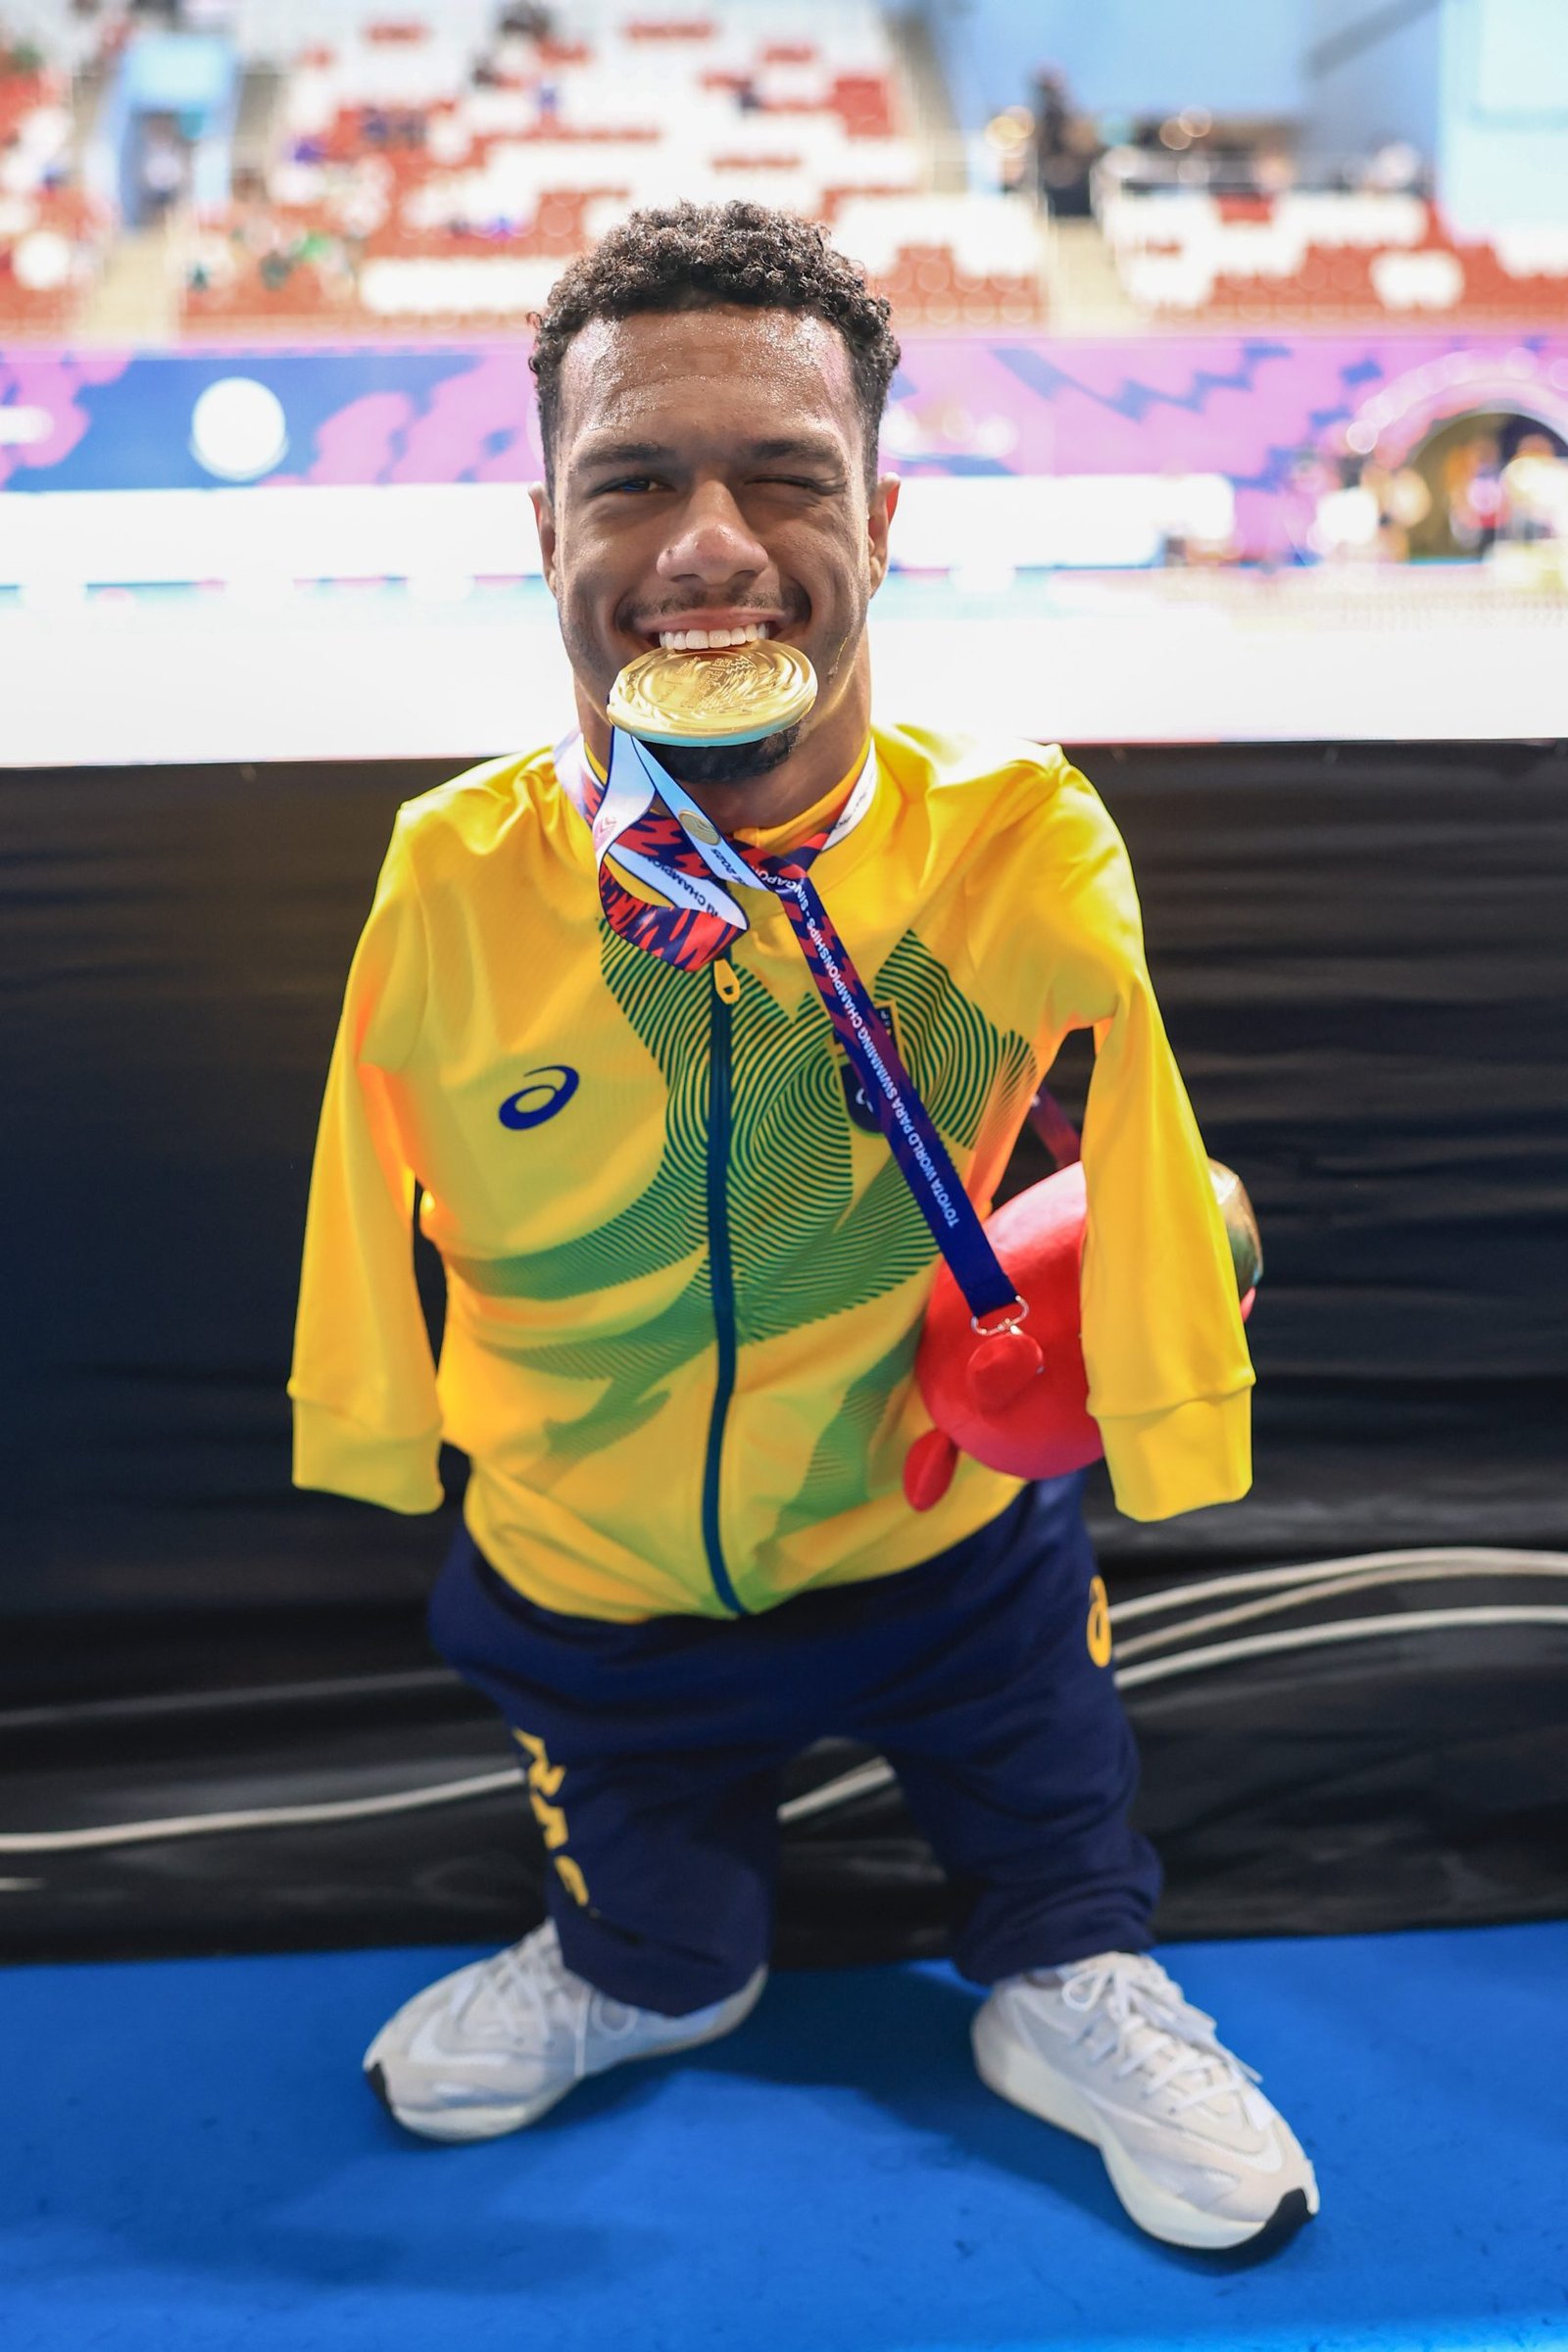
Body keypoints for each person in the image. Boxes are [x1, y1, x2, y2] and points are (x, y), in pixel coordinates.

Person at [289, 200, 1319, 2254]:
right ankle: (649, 1973)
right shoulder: (451, 873)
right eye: (632, 482)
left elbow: (1149, 1137)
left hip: (933, 1534)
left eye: (783, 475)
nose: (708, 546)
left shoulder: (1015, 840)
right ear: (543, 529)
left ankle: (1066, 1983)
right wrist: (377, 1432)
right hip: (585, 1560)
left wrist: (1172, 1383)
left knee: (1056, 1827)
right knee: (653, 1900)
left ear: (882, 515)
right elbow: (353, 1176)